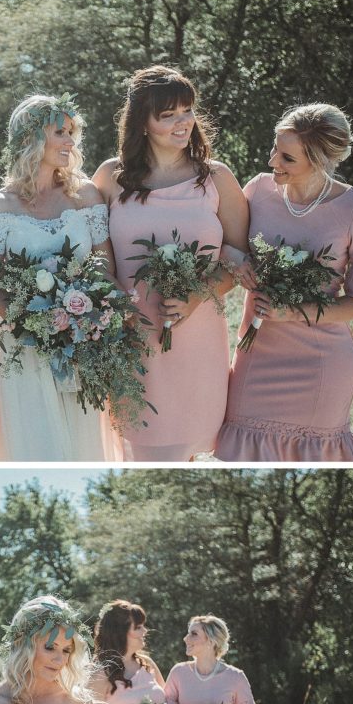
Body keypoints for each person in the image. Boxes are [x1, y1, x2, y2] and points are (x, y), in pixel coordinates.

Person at [215, 103, 353, 461]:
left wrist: (295, 312)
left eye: (288, 158)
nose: (273, 161)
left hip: (321, 364)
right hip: (256, 352)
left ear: (320, 160)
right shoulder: (257, 190)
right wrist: (237, 260)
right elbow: (224, 242)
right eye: (275, 149)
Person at [93, 65, 250, 461]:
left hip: (197, 335)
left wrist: (196, 296)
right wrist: (115, 301)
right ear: (142, 123)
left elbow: (236, 257)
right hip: (132, 335)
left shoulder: (216, 178)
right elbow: (98, 258)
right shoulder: (111, 177)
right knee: (146, 449)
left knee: (187, 448)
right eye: (168, 115)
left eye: (187, 110)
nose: (183, 123)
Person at [0, 94, 121, 461]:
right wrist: (34, 328)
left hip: (83, 343)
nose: (70, 141)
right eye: (60, 132)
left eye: (71, 132)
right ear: (31, 137)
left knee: (83, 443)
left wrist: (84, 319)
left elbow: (103, 265)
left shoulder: (86, 194)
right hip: (25, 347)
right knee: (38, 445)